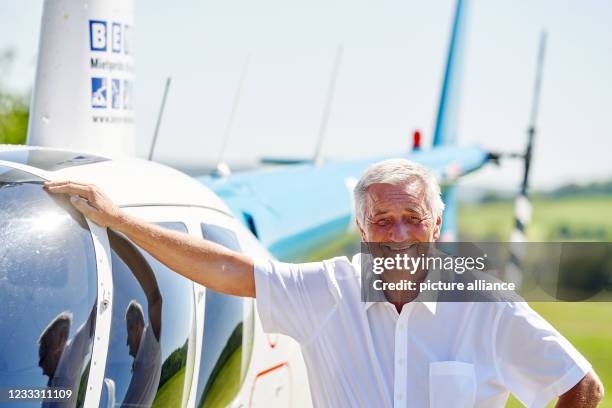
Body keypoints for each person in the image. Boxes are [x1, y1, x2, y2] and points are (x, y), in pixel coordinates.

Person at [44, 158, 605, 407]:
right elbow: (227, 268)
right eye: (383, 221)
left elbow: (581, 387)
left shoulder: (485, 305)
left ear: (436, 225)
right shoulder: (329, 290)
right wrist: (118, 220)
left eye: (414, 218)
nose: (400, 235)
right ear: (362, 231)